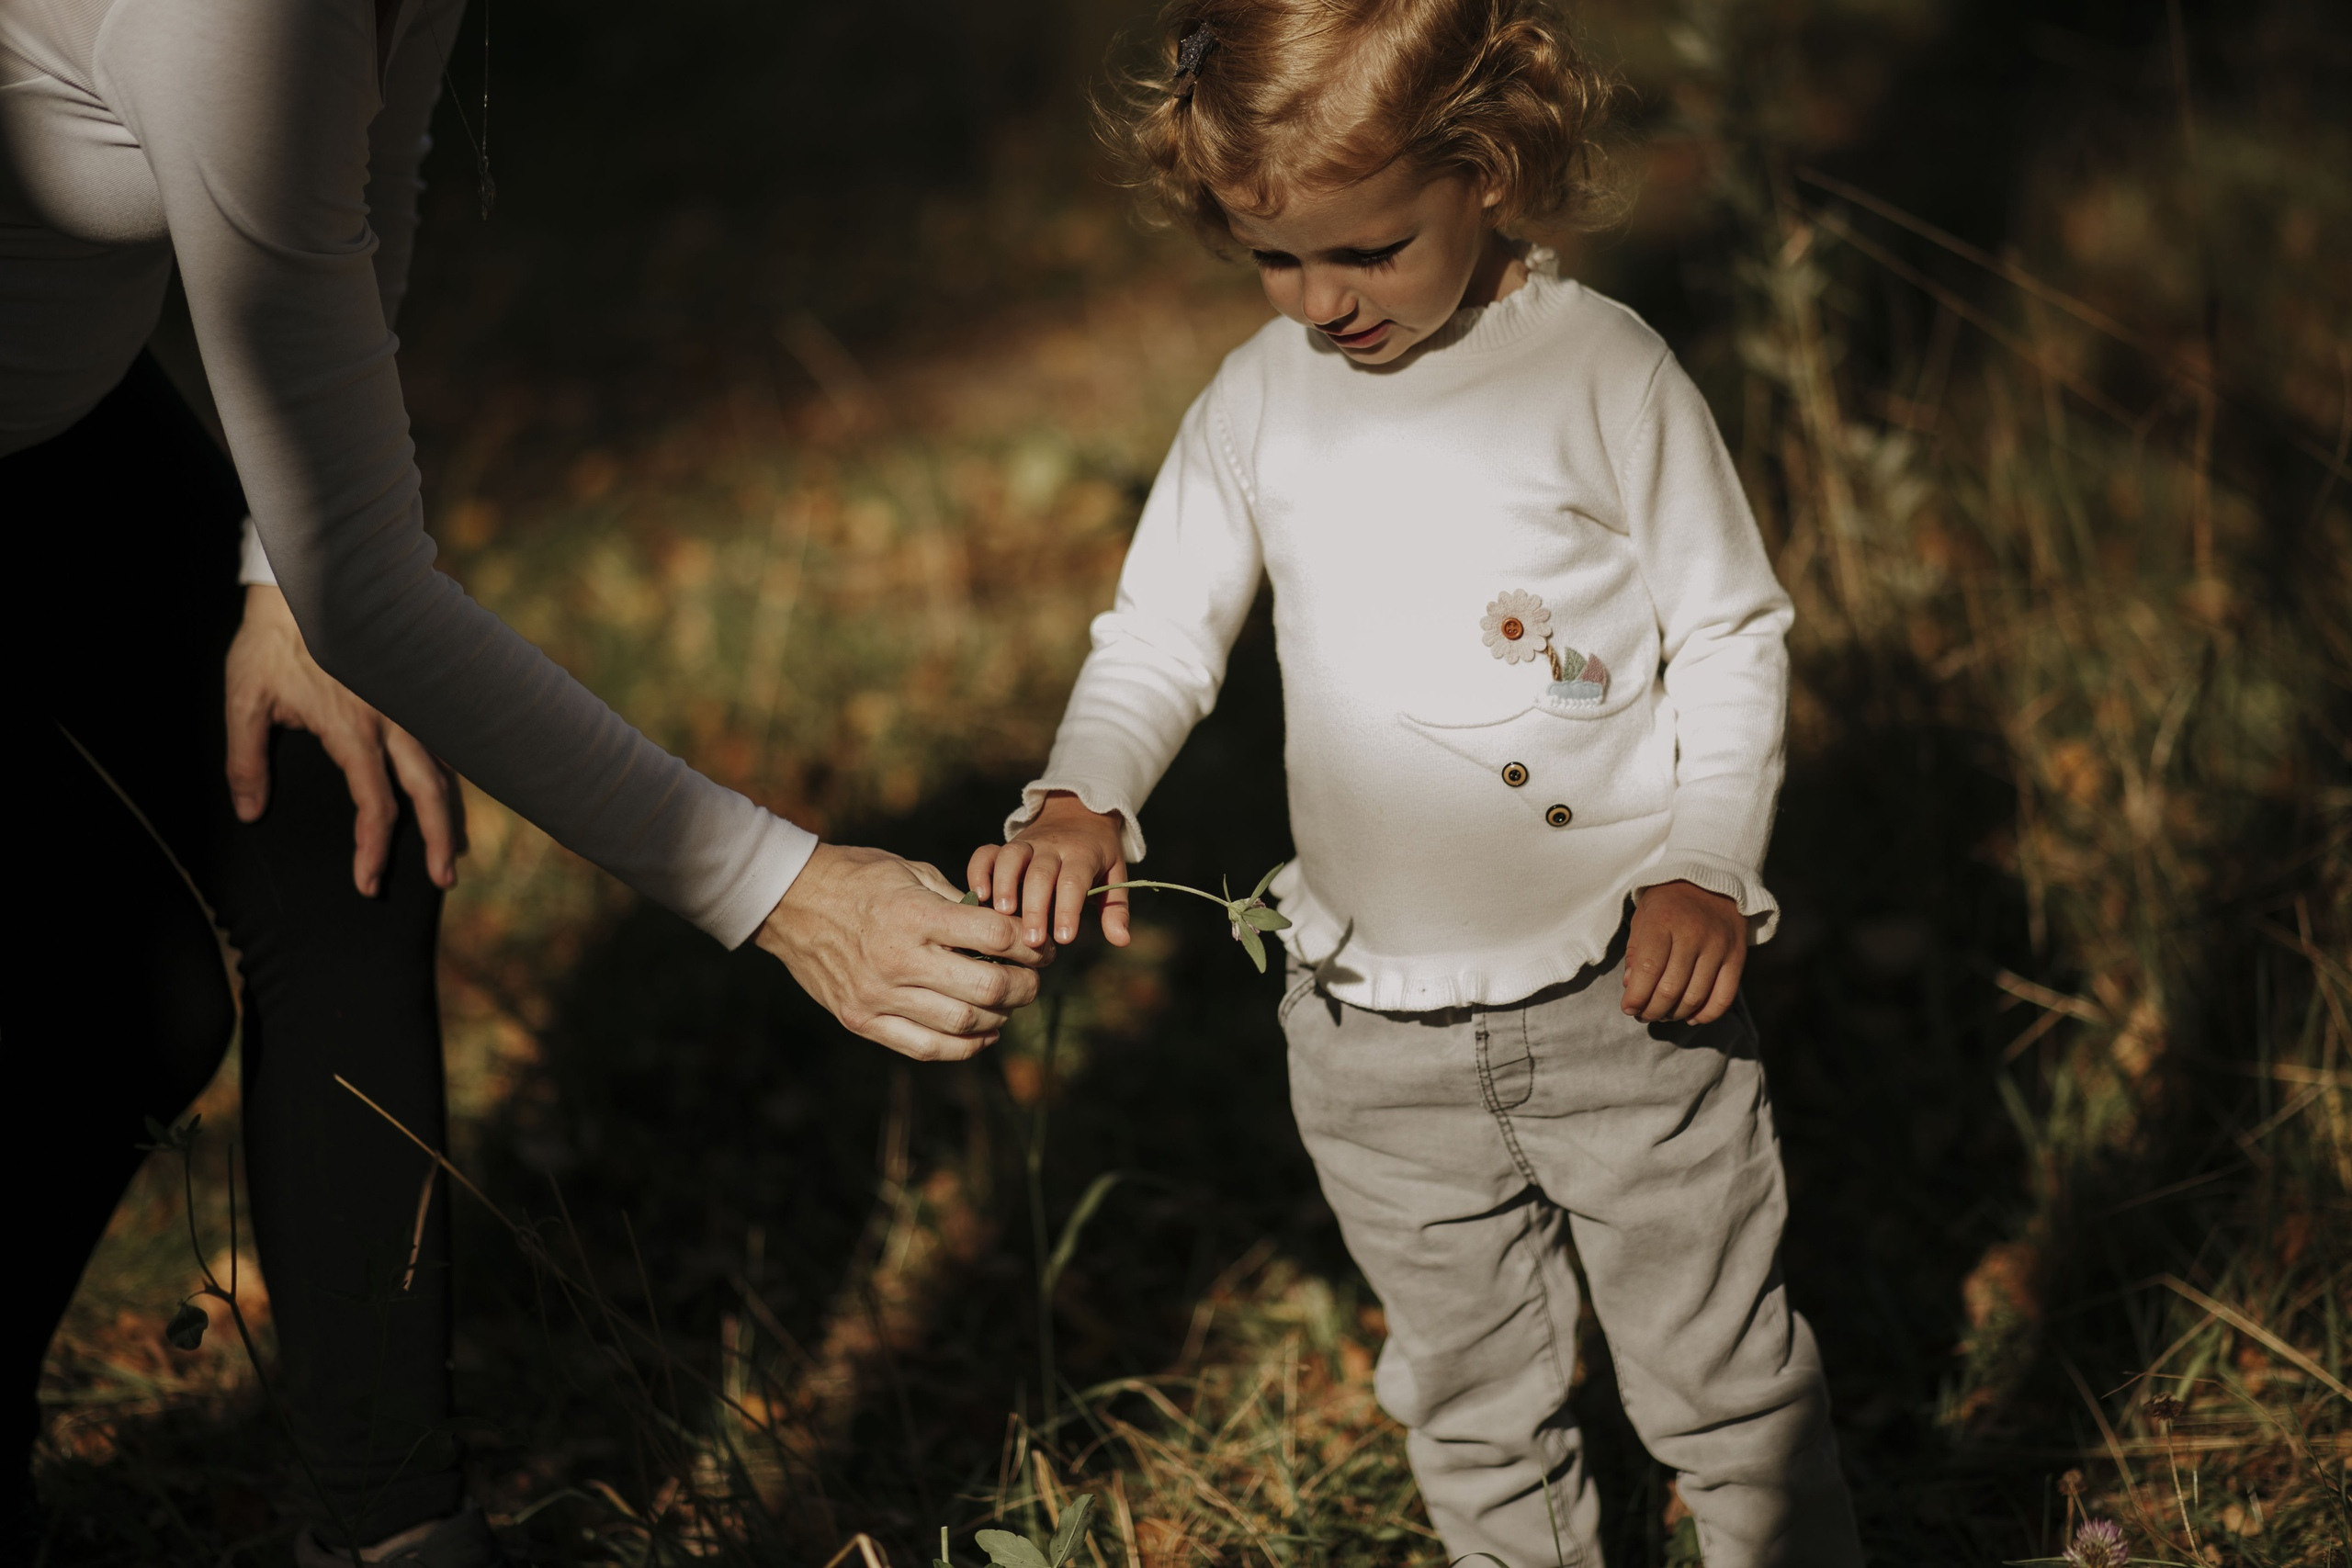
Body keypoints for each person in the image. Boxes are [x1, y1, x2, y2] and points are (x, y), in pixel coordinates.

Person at [1, 0, 1045, 1558]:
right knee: (129, 1005)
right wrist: (790, 896)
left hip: (59, 429)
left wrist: (278, 589)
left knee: (341, 824)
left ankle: (393, 1528)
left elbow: (370, 183)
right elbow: (379, 586)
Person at [966, 2, 1866, 1562]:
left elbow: (1731, 630)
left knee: (1722, 1383)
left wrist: (1710, 863)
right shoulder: (1259, 404)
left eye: (1369, 251)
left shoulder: (1603, 372)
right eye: (1276, 259)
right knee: (1469, 1403)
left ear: (1490, 168)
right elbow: (1161, 628)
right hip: (1369, 1039)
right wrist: (1082, 789)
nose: (1323, 302)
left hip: (1624, 999)